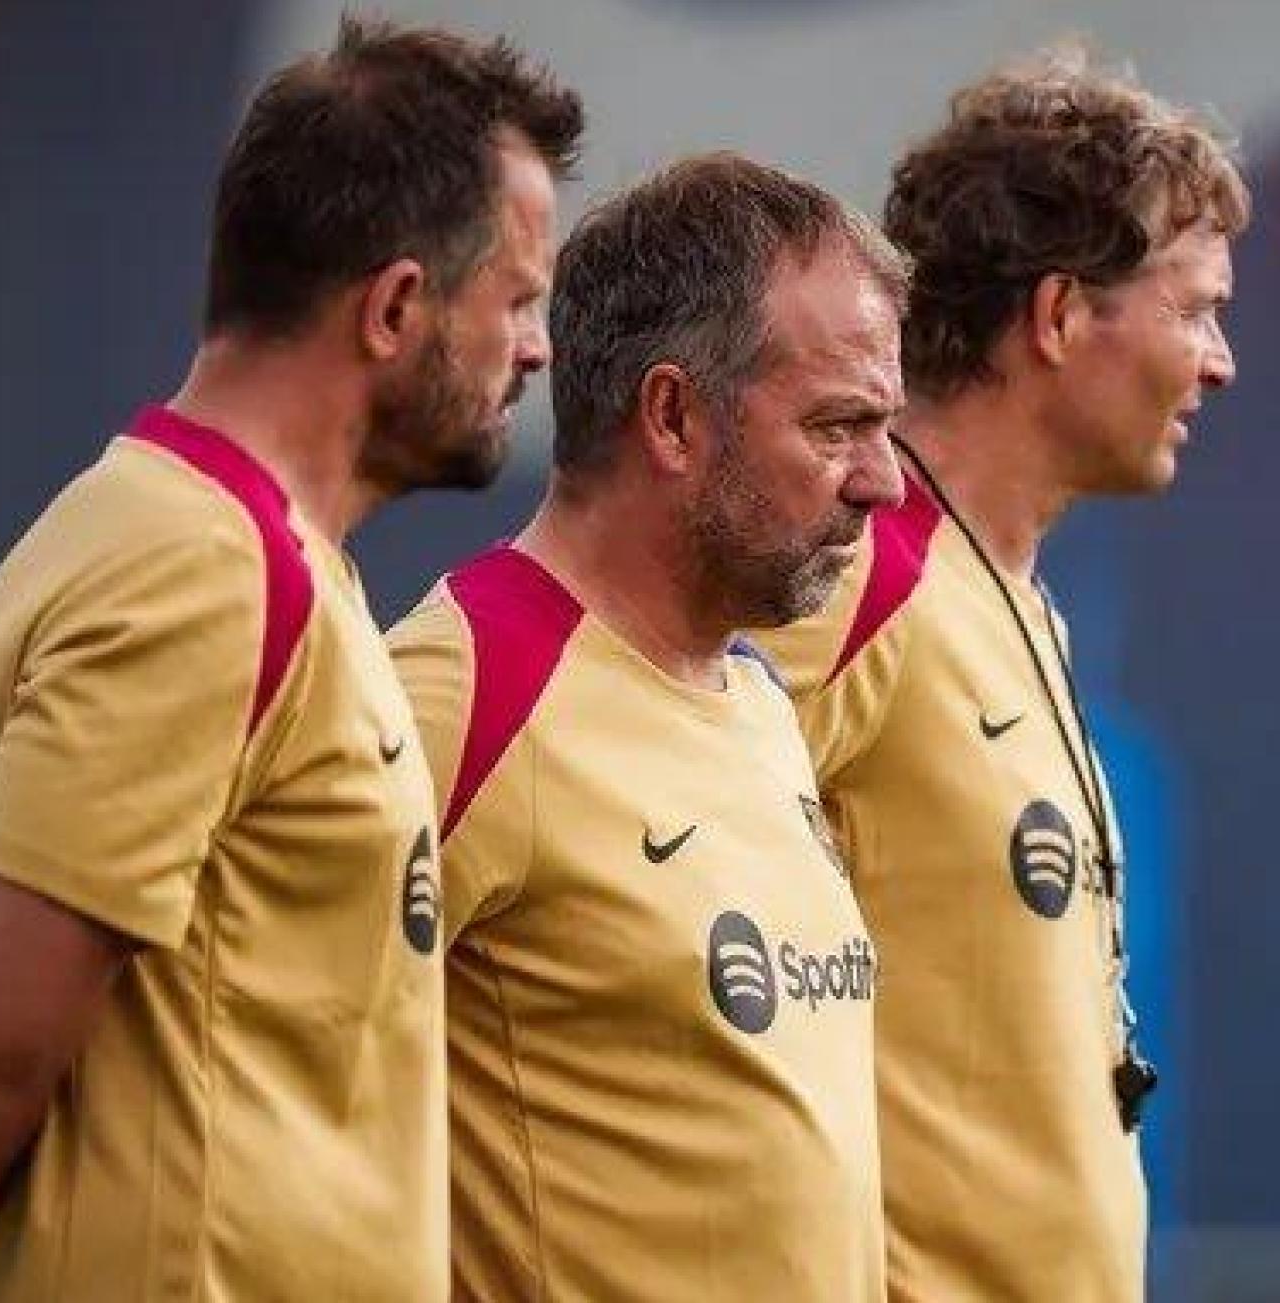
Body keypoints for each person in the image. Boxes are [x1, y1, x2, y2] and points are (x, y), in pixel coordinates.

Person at [0, 18, 581, 1301]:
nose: (535, 348)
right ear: (397, 307)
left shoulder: (265, 561)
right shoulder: (197, 569)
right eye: (519, 301)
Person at [753, 54, 1251, 1302]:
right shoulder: (859, 572)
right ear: (1059, 317)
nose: (1220, 361)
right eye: (1192, 309)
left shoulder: (1004, 596)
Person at [387, 153, 906, 1302]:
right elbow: (254, 1087)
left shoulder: (763, 698)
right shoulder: (461, 684)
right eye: (839, 427)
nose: (885, 485)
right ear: (671, 415)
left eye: (886, 429)